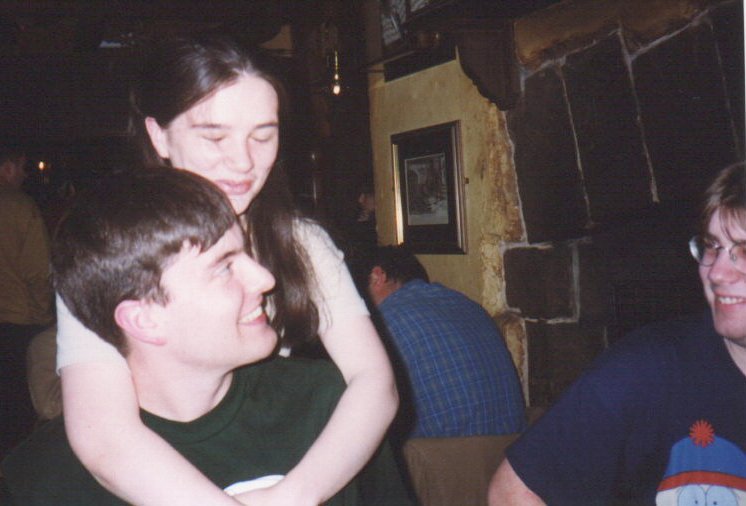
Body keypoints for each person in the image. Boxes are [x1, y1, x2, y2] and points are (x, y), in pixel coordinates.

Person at [56, 35, 398, 505]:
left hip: (270, 453)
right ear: (159, 136)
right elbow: (104, 436)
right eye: (214, 137)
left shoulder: (299, 241)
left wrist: (294, 495)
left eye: (263, 135)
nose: (243, 162)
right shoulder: (113, 248)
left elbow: (374, 381)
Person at [1, 167, 410, 506]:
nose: (265, 278)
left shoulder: (327, 408)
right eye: (224, 267)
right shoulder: (40, 478)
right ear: (144, 320)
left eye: (246, 254)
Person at [488, 163, 746, 505]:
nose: (717, 272)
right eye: (712, 246)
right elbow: (512, 492)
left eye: (744, 250)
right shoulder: (645, 368)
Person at [364, 245, 526, 441]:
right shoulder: (468, 305)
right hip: (512, 448)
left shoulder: (384, 322)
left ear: (377, 277)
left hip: (445, 454)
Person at [0, 145, 55, 458]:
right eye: (22, 167)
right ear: (8, 167)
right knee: (18, 414)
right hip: (18, 323)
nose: (24, 175)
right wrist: (44, 318)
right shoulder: (20, 206)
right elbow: (38, 271)